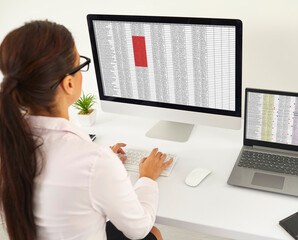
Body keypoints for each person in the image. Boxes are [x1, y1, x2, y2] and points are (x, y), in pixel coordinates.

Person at [0, 20, 173, 240]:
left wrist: (99, 163)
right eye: (80, 64)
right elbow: (138, 229)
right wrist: (147, 178)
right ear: (69, 83)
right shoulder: (94, 161)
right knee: (152, 233)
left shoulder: (7, 143)